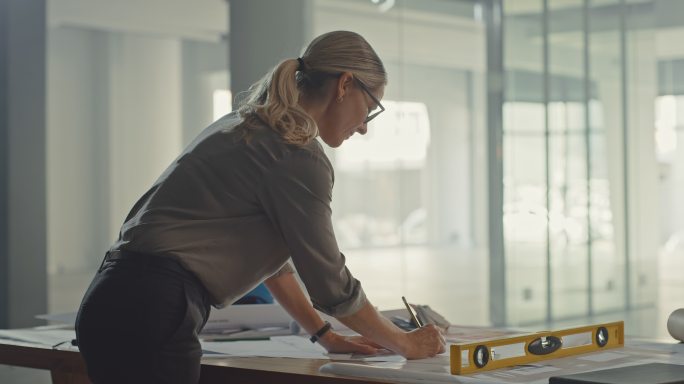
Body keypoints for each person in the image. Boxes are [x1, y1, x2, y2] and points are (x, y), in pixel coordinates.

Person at [75, 30, 445, 384]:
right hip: (153, 309)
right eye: (370, 107)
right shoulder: (296, 154)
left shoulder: (244, 125)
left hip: (116, 297)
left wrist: (325, 336)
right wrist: (406, 343)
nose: (364, 127)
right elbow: (331, 284)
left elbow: (275, 268)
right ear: (345, 84)